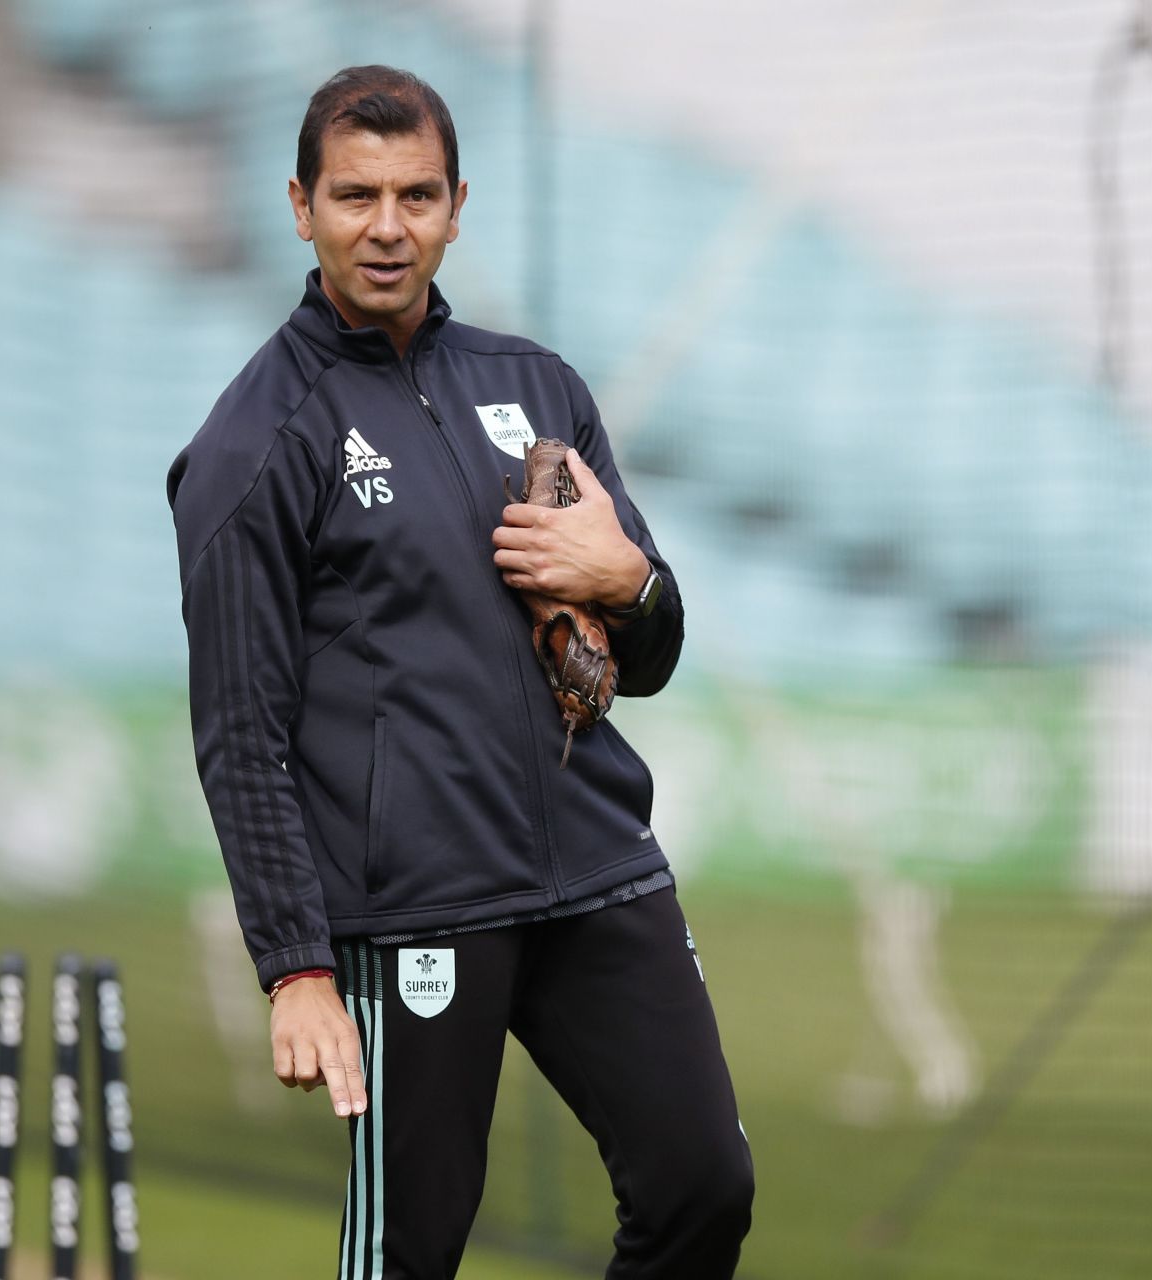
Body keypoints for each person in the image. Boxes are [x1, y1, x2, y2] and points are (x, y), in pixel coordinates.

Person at [167, 65, 752, 1280]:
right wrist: (298, 966)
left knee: (703, 1186)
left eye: (416, 195)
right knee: (409, 1251)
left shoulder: (538, 388)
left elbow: (648, 653)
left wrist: (624, 573)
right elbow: (239, 733)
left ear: (455, 202)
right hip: (414, 910)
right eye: (356, 196)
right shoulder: (252, 442)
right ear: (300, 206)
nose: (388, 226)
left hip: (597, 872)